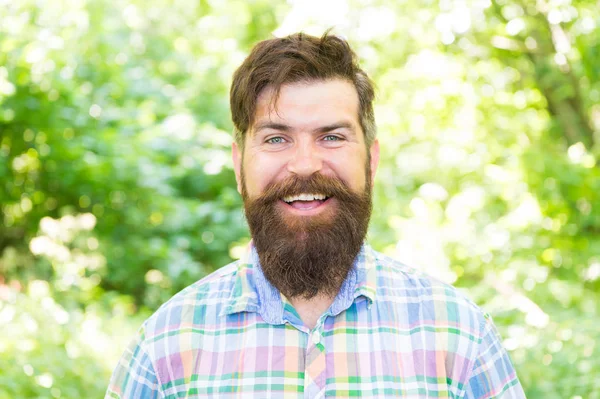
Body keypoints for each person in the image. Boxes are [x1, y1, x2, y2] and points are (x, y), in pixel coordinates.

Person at [106, 32, 525, 398]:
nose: (305, 164)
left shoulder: (460, 335)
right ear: (239, 166)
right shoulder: (163, 348)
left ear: (371, 162)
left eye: (331, 136)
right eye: (275, 138)